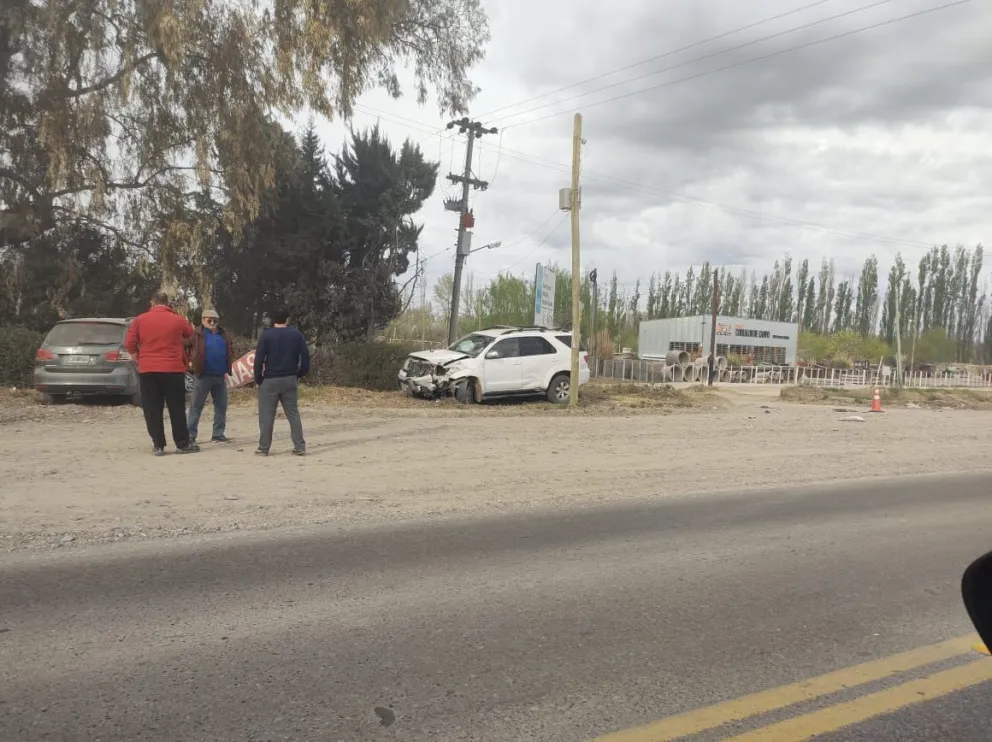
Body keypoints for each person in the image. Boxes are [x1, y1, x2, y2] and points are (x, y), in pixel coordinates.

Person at [125, 291, 199, 456]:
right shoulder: (178, 319)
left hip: (148, 369)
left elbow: (129, 343)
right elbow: (190, 334)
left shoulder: (140, 319)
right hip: (173, 369)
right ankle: (182, 444)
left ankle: (158, 445)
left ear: (151, 303)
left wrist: (139, 359)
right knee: (177, 408)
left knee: (152, 408)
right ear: (168, 304)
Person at [253, 306, 310, 456]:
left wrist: (259, 379)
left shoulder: (266, 335)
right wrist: (299, 374)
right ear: (287, 318)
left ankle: (264, 448)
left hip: (270, 379)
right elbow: (306, 358)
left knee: (266, 416)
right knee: (293, 414)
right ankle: (299, 446)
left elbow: (258, 360)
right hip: (290, 378)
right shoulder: (296, 335)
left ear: (272, 319)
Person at [186, 308, 235, 444]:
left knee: (221, 406)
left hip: (220, 375)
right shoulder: (196, 334)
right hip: (203, 375)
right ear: (203, 320)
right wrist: (190, 363)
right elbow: (185, 346)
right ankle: (190, 435)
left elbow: (230, 347)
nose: (213, 323)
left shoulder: (223, 333)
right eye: (210, 320)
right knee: (196, 406)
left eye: (215, 321)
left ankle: (218, 434)